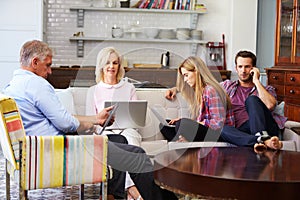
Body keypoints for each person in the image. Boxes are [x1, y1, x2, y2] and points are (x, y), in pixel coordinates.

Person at [3, 40, 177, 200]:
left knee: (120, 139)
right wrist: (92, 122)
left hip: (38, 149)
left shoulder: (12, 87)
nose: (49, 71)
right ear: (34, 62)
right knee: (137, 156)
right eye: (47, 65)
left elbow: (60, 118)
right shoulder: (37, 84)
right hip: (59, 150)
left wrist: (94, 120)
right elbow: (65, 122)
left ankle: (114, 196)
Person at [166, 51, 286, 151]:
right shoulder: (228, 86)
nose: (243, 70)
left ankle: (262, 137)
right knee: (223, 129)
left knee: (252, 100)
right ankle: (261, 142)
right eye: (240, 67)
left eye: (247, 67)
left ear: (253, 68)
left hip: (264, 126)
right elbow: (204, 85)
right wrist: (176, 89)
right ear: (236, 68)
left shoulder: (265, 89)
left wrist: (256, 81)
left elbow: (270, 105)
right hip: (239, 130)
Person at [90, 46, 142, 199]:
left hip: (128, 128)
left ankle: (129, 188)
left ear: (119, 66)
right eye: (107, 63)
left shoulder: (129, 87)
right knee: (113, 143)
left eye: (115, 63)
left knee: (131, 141)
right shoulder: (94, 90)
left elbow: (135, 114)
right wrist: (100, 122)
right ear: (101, 66)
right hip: (105, 130)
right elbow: (91, 120)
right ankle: (132, 189)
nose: (111, 67)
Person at [160, 56, 234, 143]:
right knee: (164, 125)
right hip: (208, 131)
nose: (185, 80)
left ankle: (185, 139)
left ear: (197, 71)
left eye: (186, 75)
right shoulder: (199, 91)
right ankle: (184, 139)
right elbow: (202, 121)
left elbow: (218, 123)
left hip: (220, 135)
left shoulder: (210, 90)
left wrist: (186, 122)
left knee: (182, 124)